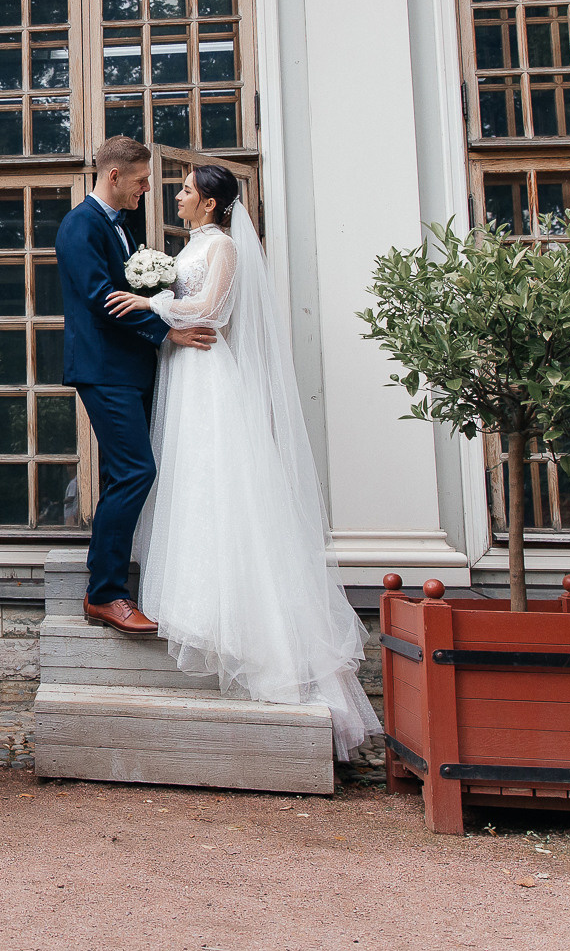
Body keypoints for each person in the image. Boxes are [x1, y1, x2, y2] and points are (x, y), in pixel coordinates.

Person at [105, 164, 380, 758]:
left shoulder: (224, 246)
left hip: (208, 376)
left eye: (182, 189)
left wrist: (152, 304)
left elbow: (213, 311)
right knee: (190, 482)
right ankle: (195, 598)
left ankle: (253, 630)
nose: (175, 195)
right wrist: (158, 299)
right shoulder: (192, 244)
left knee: (219, 480)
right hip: (183, 373)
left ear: (206, 201)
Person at [57, 136, 219, 636]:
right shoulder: (79, 226)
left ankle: (114, 581)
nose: (149, 189)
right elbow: (102, 297)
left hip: (134, 368)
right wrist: (166, 330)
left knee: (121, 475)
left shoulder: (122, 225)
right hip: (103, 369)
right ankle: (105, 592)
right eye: (142, 180)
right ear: (114, 176)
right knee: (135, 472)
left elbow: (138, 290)